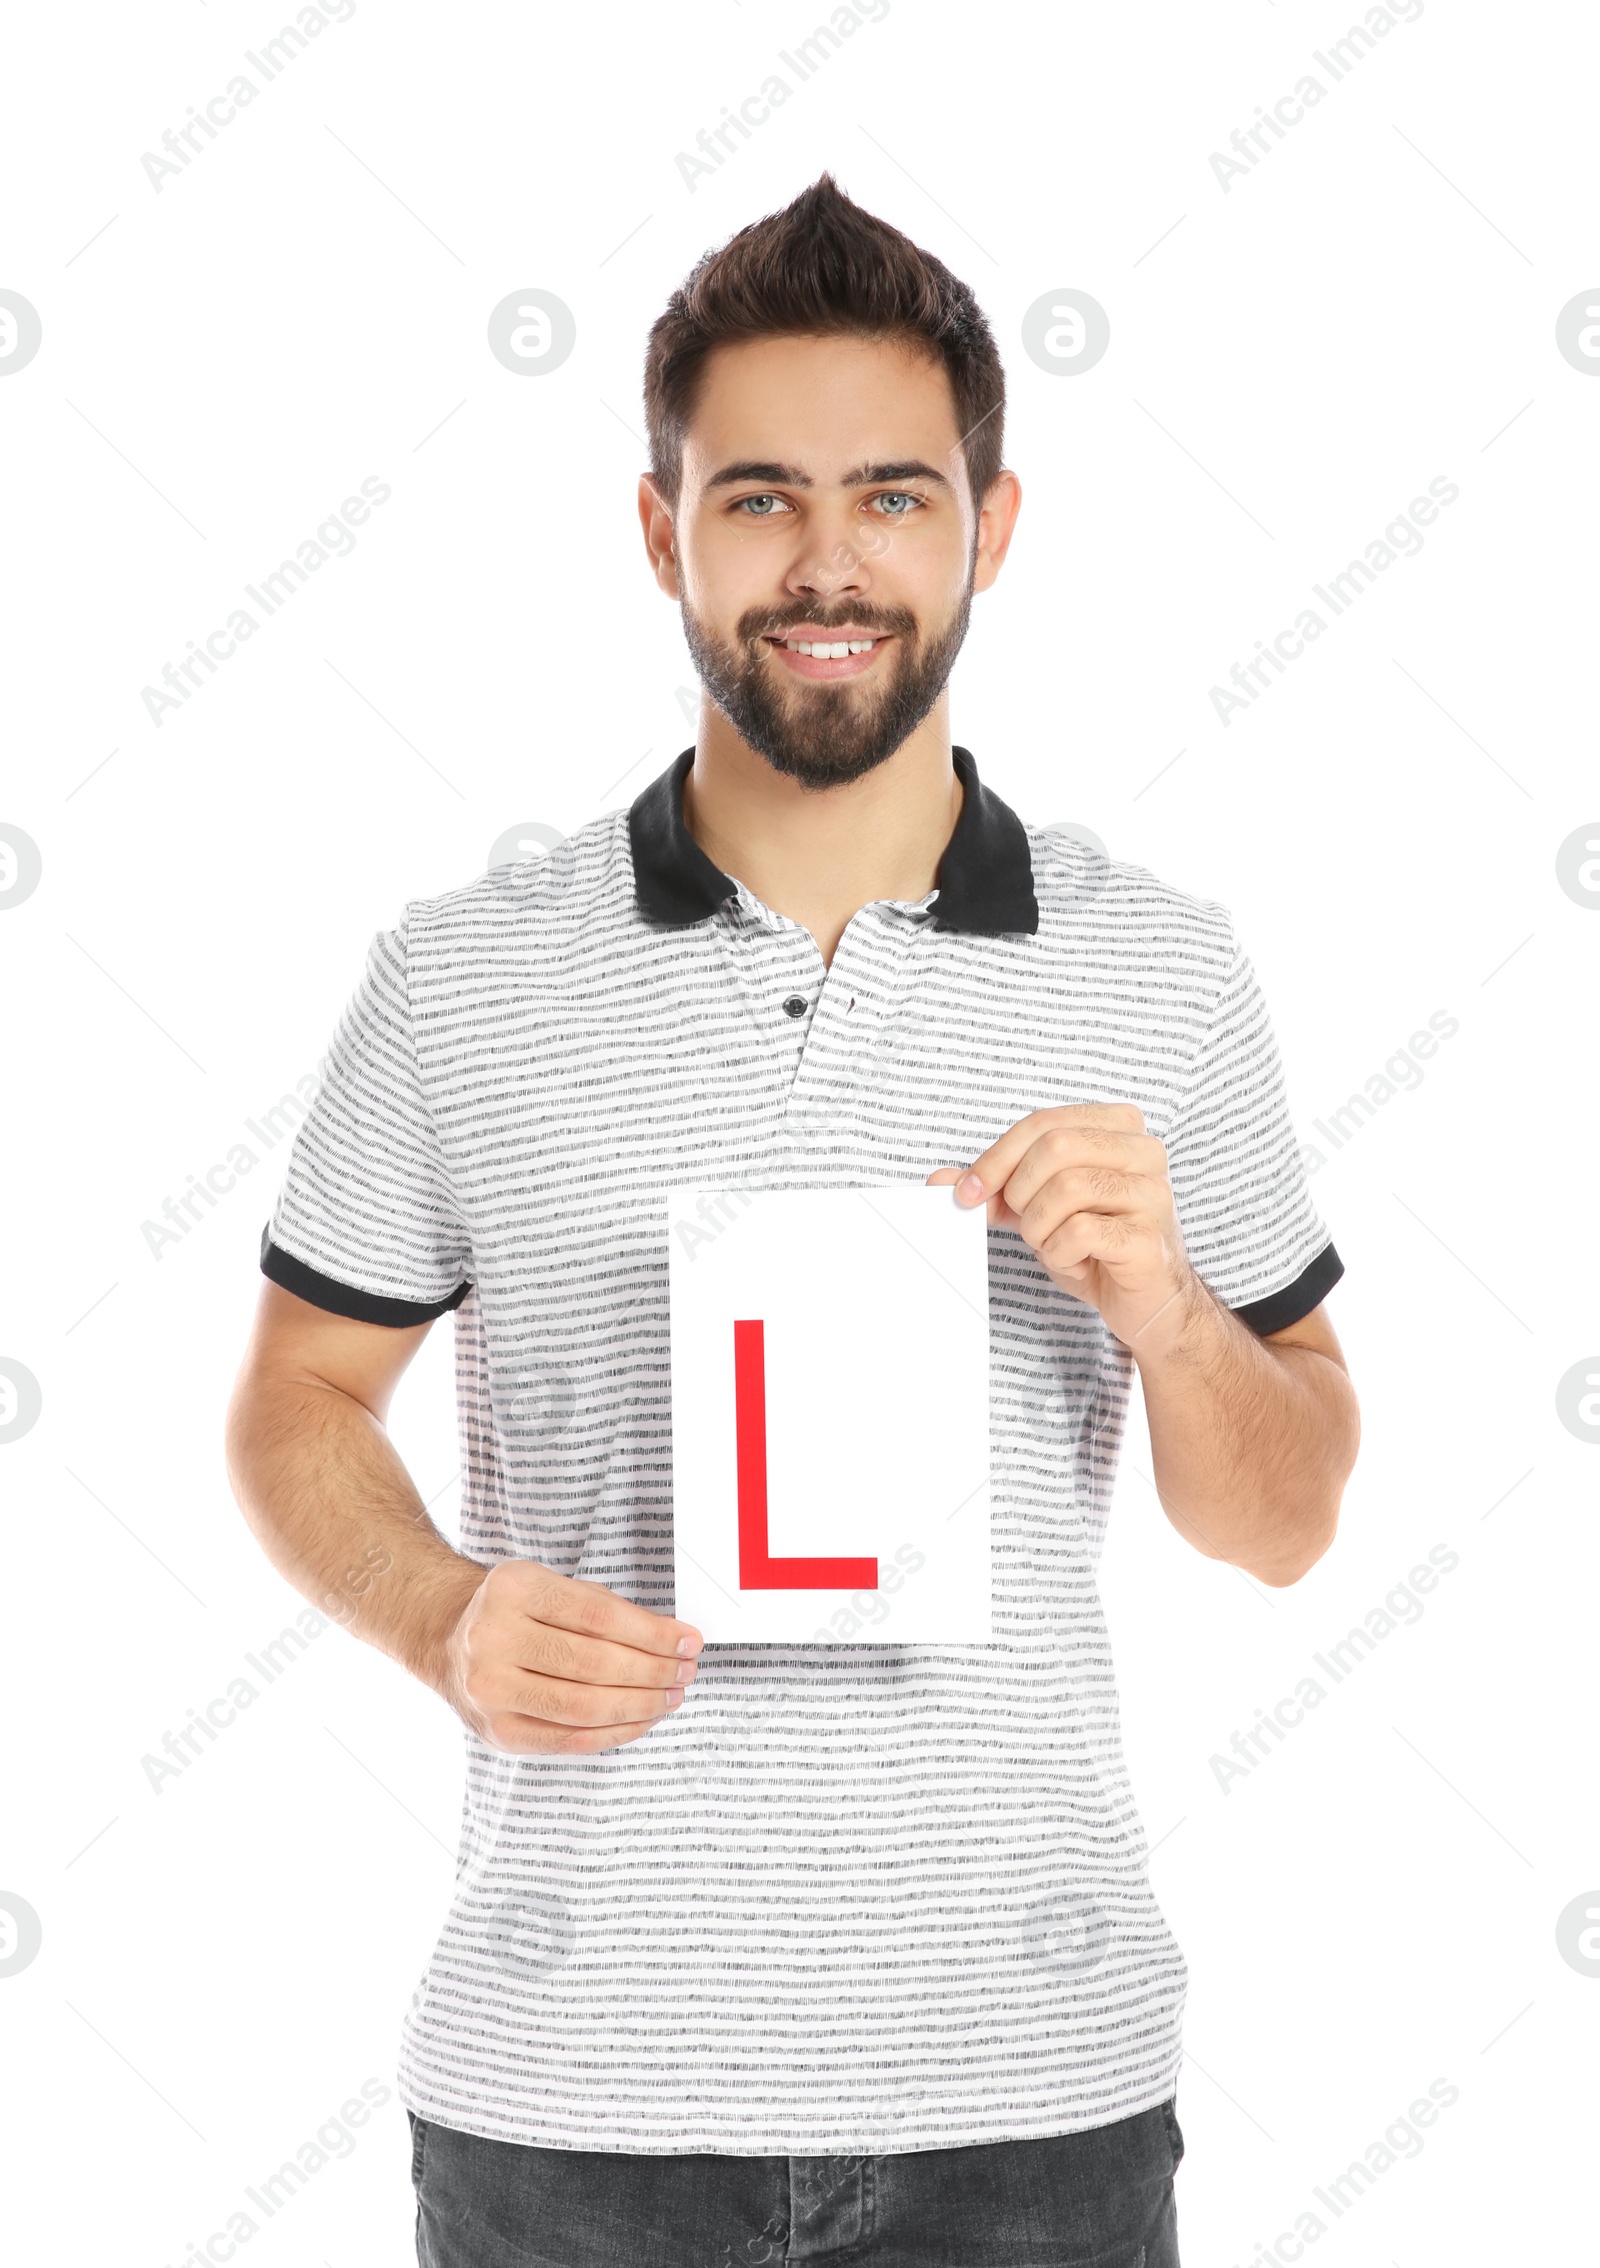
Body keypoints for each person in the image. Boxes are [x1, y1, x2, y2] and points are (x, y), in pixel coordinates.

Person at [224, 173, 1360, 2268]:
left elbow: (1280, 1518)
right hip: (564, 2105)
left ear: (986, 528)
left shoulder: (1164, 974)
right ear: (658, 529)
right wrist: (434, 1613)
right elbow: (297, 1393)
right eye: (755, 499)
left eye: (891, 498)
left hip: (1032, 2103)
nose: (824, 562)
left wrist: (1175, 1317)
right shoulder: (460, 972)